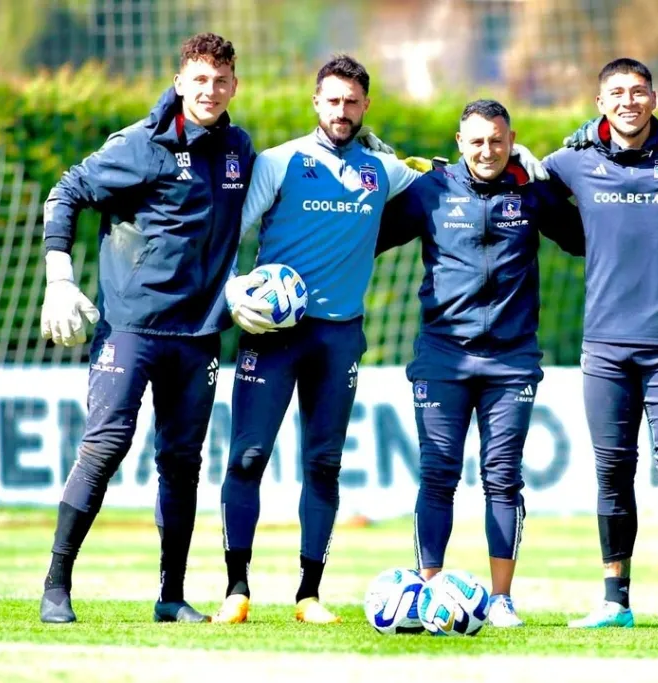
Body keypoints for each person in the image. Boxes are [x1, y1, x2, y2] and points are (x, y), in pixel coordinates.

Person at [212, 57, 550, 625]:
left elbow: (456, 169)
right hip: (272, 334)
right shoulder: (277, 162)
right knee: (247, 457)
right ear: (315, 102)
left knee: (324, 466)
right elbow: (227, 234)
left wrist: (516, 157)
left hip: (339, 336)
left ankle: (308, 596)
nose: (341, 111)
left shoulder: (384, 170)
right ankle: (236, 589)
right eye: (332, 100)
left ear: (366, 106)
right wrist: (231, 290)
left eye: (352, 102)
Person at [38, 33, 255, 624]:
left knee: (182, 465)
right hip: (132, 329)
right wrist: (60, 274)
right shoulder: (142, 144)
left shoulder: (238, 147)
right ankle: (56, 586)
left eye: (222, 80)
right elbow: (68, 190)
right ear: (181, 81)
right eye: (200, 79)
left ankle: (171, 595)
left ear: (234, 85)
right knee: (104, 448)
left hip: (200, 335)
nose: (211, 90)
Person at [375, 99, 585, 628]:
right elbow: (369, 238)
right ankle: (425, 590)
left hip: (511, 361)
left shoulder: (531, 192)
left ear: (511, 138)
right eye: (476, 141)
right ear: (458, 142)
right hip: (442, 357)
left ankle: (502, 599)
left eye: (497, 140)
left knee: (502, 477)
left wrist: (562, 183)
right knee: (438, 475)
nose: (487, 151)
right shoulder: (431, 190)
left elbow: (585, 239)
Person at [551, 58, 658, 630]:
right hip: (604, 346)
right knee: (611, 470)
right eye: (616, 93)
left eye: (638, 91)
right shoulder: (572, 162)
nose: (628, 101)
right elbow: (516, 176)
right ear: (599, 103)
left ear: (655, 97)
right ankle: (614, 601)